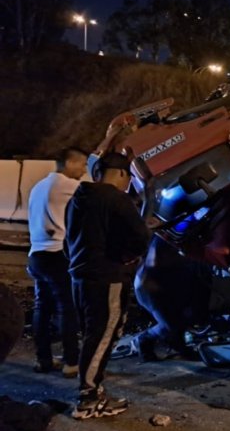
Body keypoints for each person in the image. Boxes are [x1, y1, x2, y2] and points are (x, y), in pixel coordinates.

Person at [66, 153, 151, 420]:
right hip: (107, 277)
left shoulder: (78, 198)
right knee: (103, 336)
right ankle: (87, 399)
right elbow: (141, 236)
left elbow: (71, 239)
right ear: (123, 174)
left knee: (93, 335)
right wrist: (127, 257)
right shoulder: (116, 198)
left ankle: (93, 392)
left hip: (80, 276)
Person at [26, 147, 87, 377]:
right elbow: (94, 195)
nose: (83, 170)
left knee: (42, 307)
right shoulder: (65, 185)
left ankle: (43, 359)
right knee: (67, 308)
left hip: (36, 255)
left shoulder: (39, 187)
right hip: (56, 255)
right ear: (69, 162)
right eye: (82, 164)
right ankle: (71, 362)